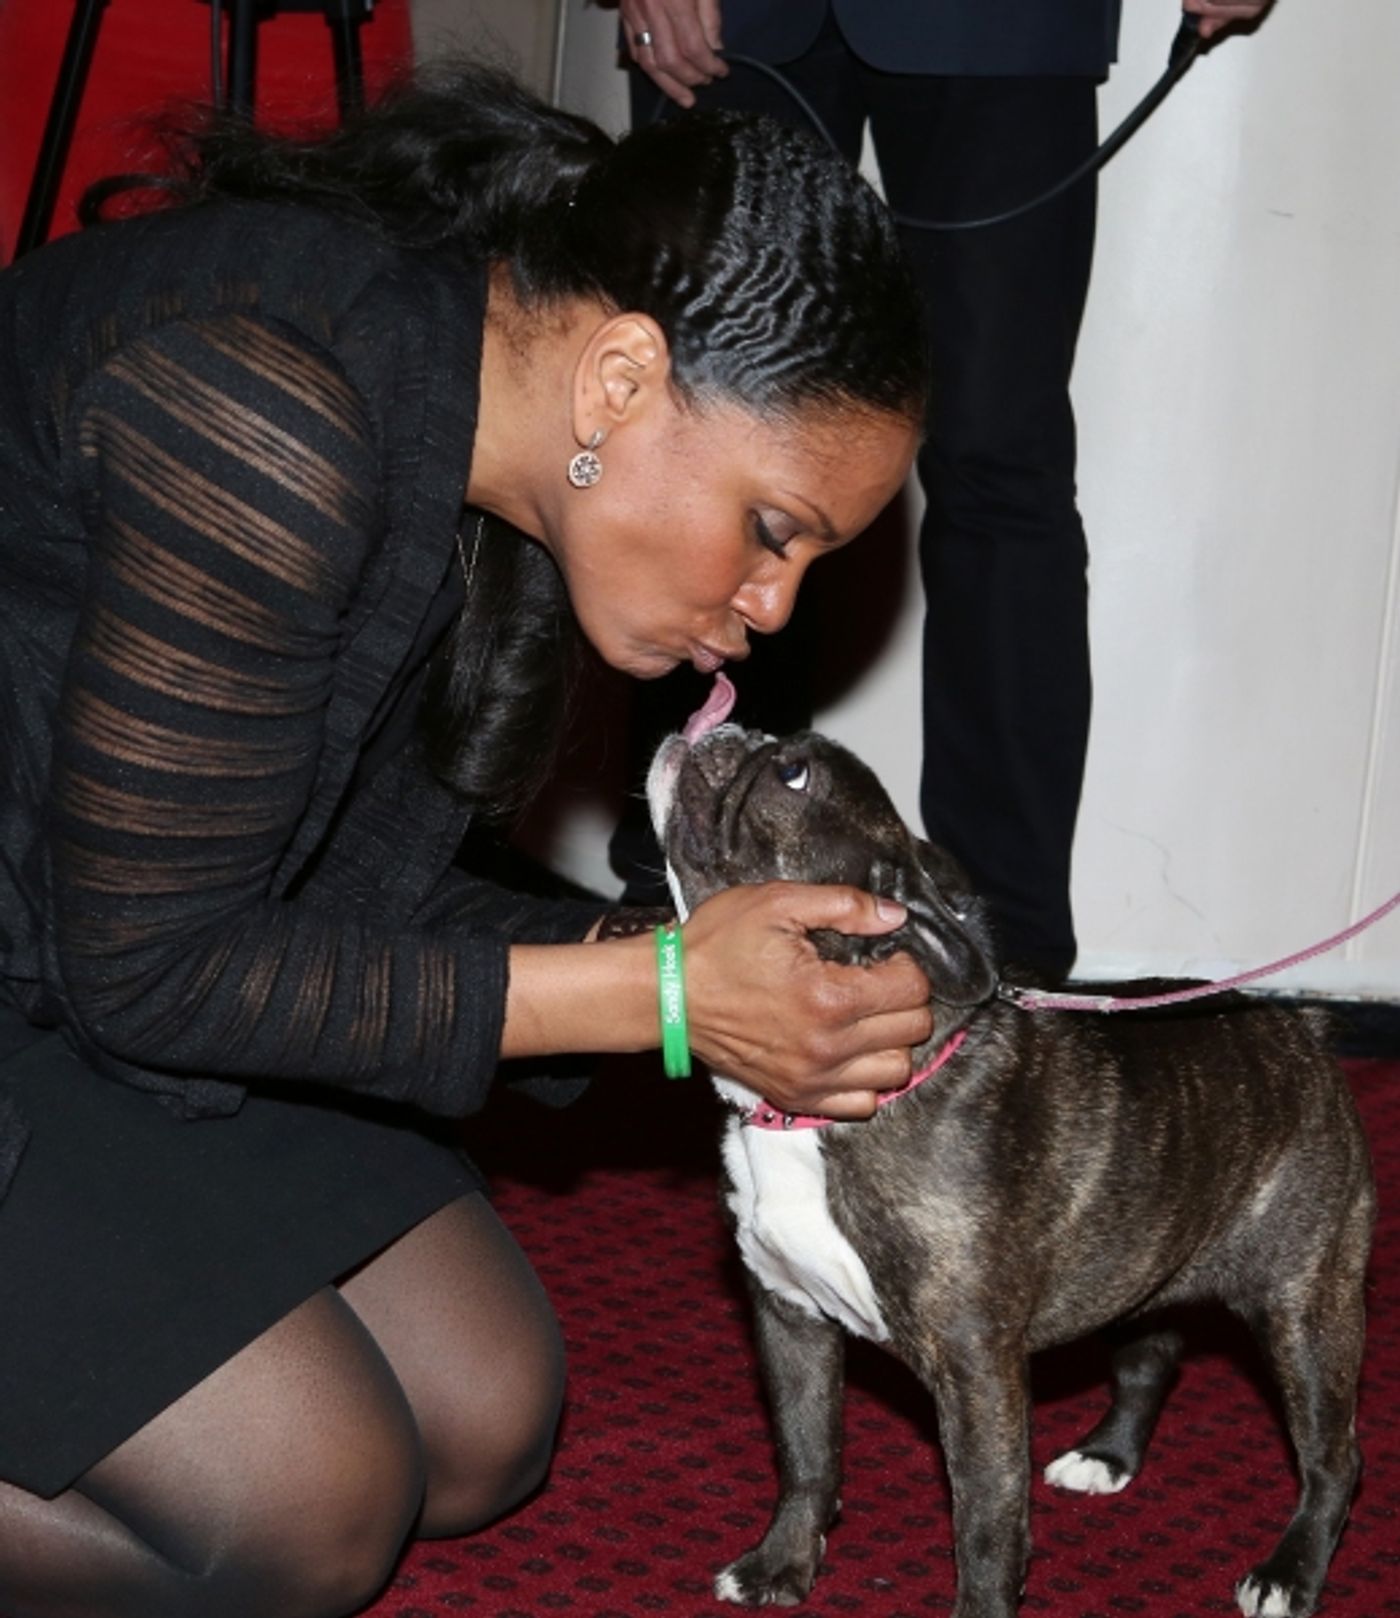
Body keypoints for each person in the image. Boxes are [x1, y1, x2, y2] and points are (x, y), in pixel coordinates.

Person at [0, 63, 935, 1618]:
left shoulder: (484, 450)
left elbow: (340, 890)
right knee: (305, 1510)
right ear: (622, 380)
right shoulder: (267, 421)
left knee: (485, 1412)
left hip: (93, 946)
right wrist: (671, 997)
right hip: (87, 972)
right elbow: (156, 969)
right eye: (774, 528)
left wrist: (690, 969)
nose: (772, 608)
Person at [611, 0, 1273, 980]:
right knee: (693, 444)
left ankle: (1005, 954)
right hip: (734, 21)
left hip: (1003, 27)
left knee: (999, 467)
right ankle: (673, 894)